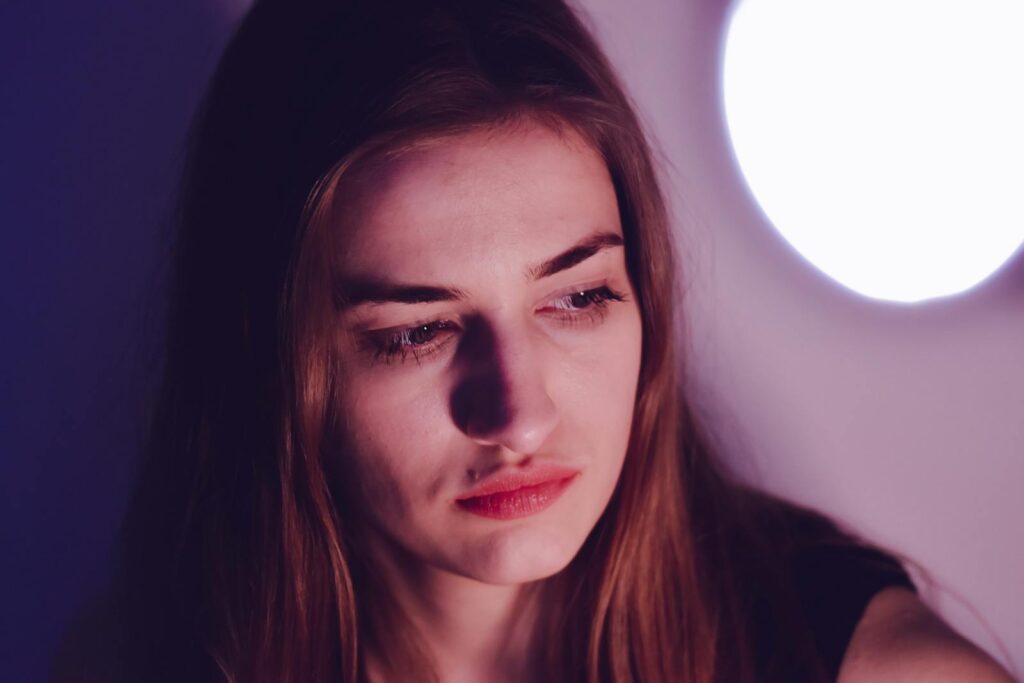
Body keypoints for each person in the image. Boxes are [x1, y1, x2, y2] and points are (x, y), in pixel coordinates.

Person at [53, 0, 1015, 681]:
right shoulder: (149, 658)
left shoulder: (880, 670)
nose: (518, 410)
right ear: (275, 361)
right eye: (419, 330)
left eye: (578, 297)